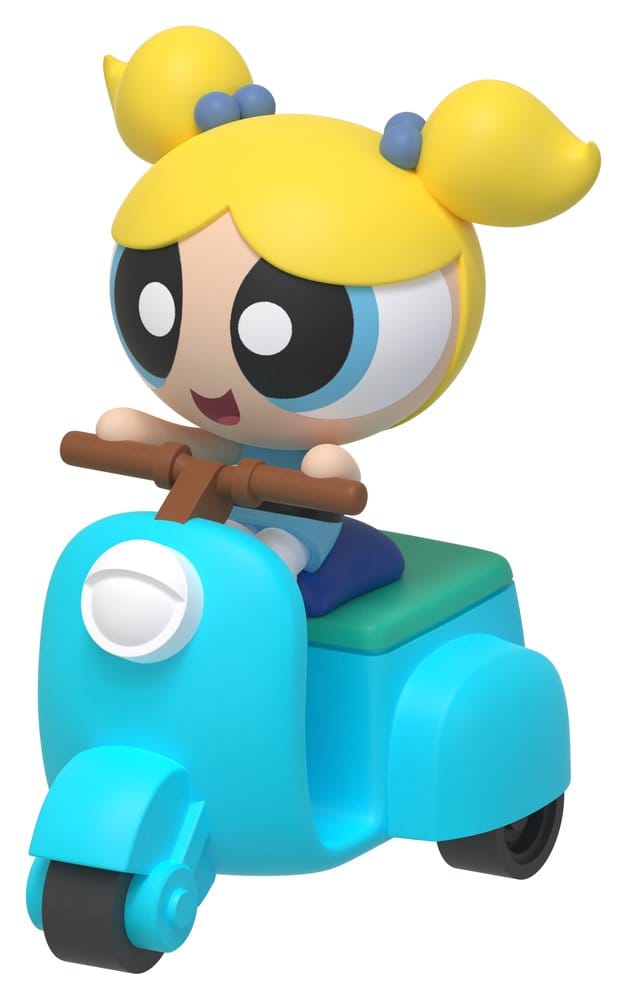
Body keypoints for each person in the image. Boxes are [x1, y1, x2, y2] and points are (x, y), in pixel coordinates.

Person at [99, 25, 599, 609]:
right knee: (175, 560)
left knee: (274, 554)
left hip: (303, 527)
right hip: (225, 515)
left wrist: (324, 472)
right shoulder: (233, 440)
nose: (208, 374)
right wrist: (145, 433)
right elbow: (205, 447)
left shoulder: (309, 462)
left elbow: (331, 474)